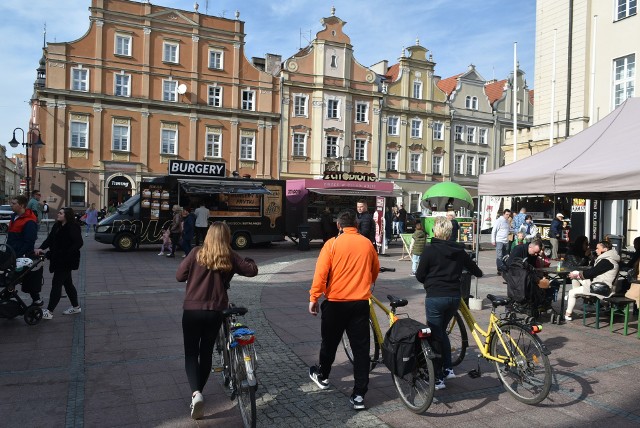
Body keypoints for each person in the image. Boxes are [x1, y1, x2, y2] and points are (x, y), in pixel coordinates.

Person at [176, 222, 258, 420]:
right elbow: (251, 270)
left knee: (190, 354)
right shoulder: (229, 255)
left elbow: (179, 276)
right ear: (226, 237)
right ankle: (199, 394)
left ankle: (196, 394)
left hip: (192, 311)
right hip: (215, 312)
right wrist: (248, 259)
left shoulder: (196, 252)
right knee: (206, 353)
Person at [308, 209, 380, 410]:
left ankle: (322, 376)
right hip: (359, 303)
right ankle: (359, 395)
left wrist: (313, 297)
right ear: (356, 225)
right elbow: (374, 271)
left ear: (339, 225)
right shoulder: (367, 244)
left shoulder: (332, 244)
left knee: (329, 343)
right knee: (361, 349)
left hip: (336, 302)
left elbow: (321, 274)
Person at [415, 216, 483, 390]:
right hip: (454, 297)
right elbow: (476, 271)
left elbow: (419, 275)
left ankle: (438, 378)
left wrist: (429, 281)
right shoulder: (459, 251)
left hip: (436, 297)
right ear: (450, 232)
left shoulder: (430, 250)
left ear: (435, 231)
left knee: (435, 336)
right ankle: (448, 368)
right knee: (441, 332)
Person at [35, 207, 84, 320]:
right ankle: (76, 307)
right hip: (58, 259)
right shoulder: (57, 226)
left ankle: (49, 311)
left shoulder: (72, 227)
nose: (58, 214)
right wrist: (41, 248)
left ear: (67, 215)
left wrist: (67, 253)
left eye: (61, 213)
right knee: (68, 284)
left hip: (66, 260)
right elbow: (50, 239)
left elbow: (78, 243)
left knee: (56, 284)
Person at [565, 240, 620, 321]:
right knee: (575, 275)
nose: (596, 250)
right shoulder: (610, 258)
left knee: (571, 292)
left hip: (601, 288)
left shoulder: (607, 261)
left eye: (598, 248)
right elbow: (593, 269)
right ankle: (577, 294)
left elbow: (592, 272)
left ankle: (568, 314)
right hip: (600, 284)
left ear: (605, 249)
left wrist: (577, 274)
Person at [7, 195, 41, 306]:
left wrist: (17, 254)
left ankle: (36, 300)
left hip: (21, 254)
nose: (11, 205)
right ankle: (8, 294)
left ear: (21, 205)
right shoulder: (14, 216)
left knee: (21, 276)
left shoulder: (29, 221)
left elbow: (29, 242)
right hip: (12, 251)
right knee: (13, 276)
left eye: (13, 203)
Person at [491, 209, 512, 274]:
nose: (508, 216)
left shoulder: (507, 221)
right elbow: (494, 231)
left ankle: (504, 268)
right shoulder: (499, 221)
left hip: (506, 241)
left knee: (505, 256)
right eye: (506, 214)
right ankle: (499, 269)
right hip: (499, 240)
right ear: (503, 214)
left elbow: (509, 230)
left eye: (509, 215)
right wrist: (493, 240)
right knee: (499, 255)